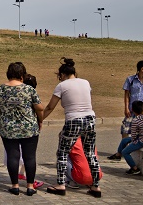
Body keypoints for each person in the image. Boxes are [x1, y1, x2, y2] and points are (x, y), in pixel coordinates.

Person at [43, 58, 101, 198]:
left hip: (74, 120)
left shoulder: (62, 86)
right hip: (90, 119)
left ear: (62, 74)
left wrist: (40, 119)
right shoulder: (86, 82)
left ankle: (61, 185)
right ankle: (95, 186)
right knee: (90, 153)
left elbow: (51, 106)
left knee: (62, 152)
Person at [0, 62, 43, 196]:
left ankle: (15, 185)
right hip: (29, 128)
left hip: (8, 128)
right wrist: (40, 121)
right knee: (30, 157)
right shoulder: (29, 90)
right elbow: (39, 108)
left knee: (12, 156)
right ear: (22, 75)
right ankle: (30, 186)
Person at [108, 60, 143, 161]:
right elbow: (126, 95)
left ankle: (139, 152)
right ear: (142, 69)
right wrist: (126, 108)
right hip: (131, 110)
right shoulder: (130, 79)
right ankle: (123, 151)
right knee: (125, 129)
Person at [115, 100, 143, 174]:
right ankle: (118, 155)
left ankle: (134, 168)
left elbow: (133, 134)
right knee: (124, 140)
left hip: (141, 141)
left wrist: (132, 142)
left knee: (125, 152)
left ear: (132, 110)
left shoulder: (135, 120)